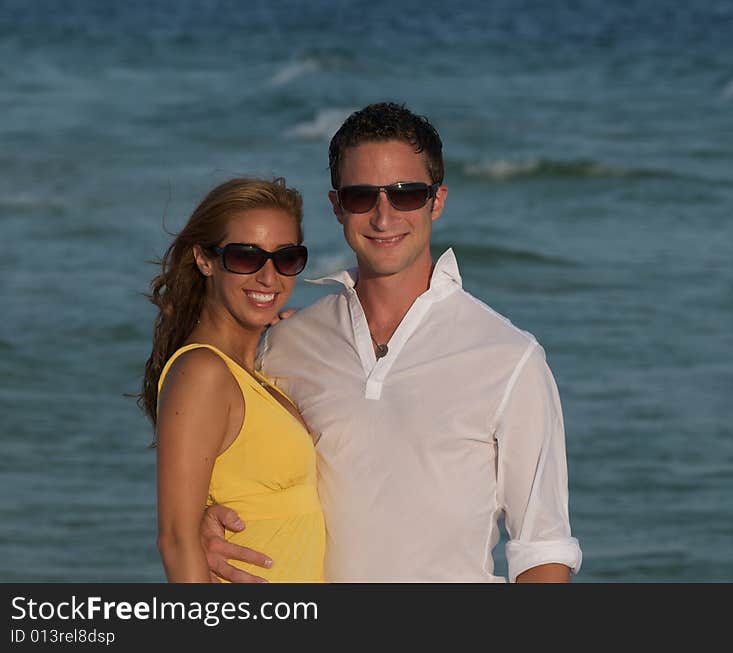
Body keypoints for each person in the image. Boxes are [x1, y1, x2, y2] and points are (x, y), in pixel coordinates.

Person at [202, 103, 582, 582]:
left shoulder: (510, 357)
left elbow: (542, 549)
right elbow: (244, 472)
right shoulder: (284, 346)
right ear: (337, 205)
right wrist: (201, 521)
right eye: (362, 196)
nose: (384, 217)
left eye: (406, 195)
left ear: (436, 201)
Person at [140, 177, 324, 582]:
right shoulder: (202, 372)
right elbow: (176, 540)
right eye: (245, 257)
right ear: (204, 260)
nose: (268, 277)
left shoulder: (253, 372)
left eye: (286, 258)